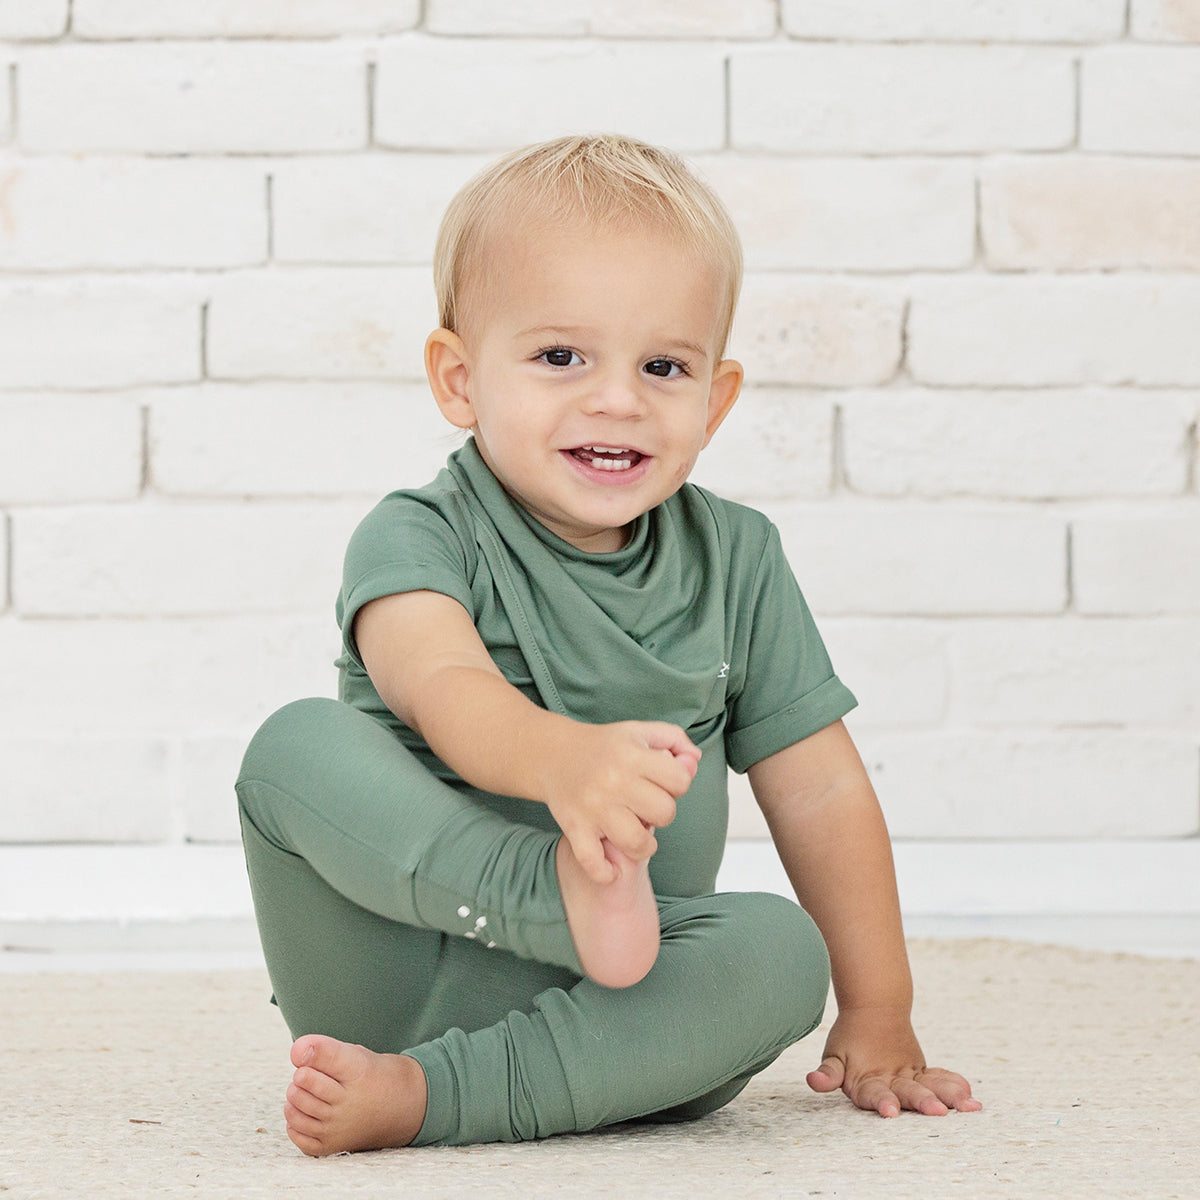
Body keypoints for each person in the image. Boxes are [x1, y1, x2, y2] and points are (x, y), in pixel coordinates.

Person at [235, 133, 981, 1156]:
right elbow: (440, 681)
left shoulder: (740, 560)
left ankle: (429, 1098)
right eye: (560, 356)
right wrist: (563, 764)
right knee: (293, 746)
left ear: (714, 401)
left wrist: (879, 1006)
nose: (618, 397)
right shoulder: (419, 533)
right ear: (458, 379)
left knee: (779, 953)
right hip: (397, 962)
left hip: (624, 999)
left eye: (662, 365)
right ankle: (544, 902)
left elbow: (822, 790)